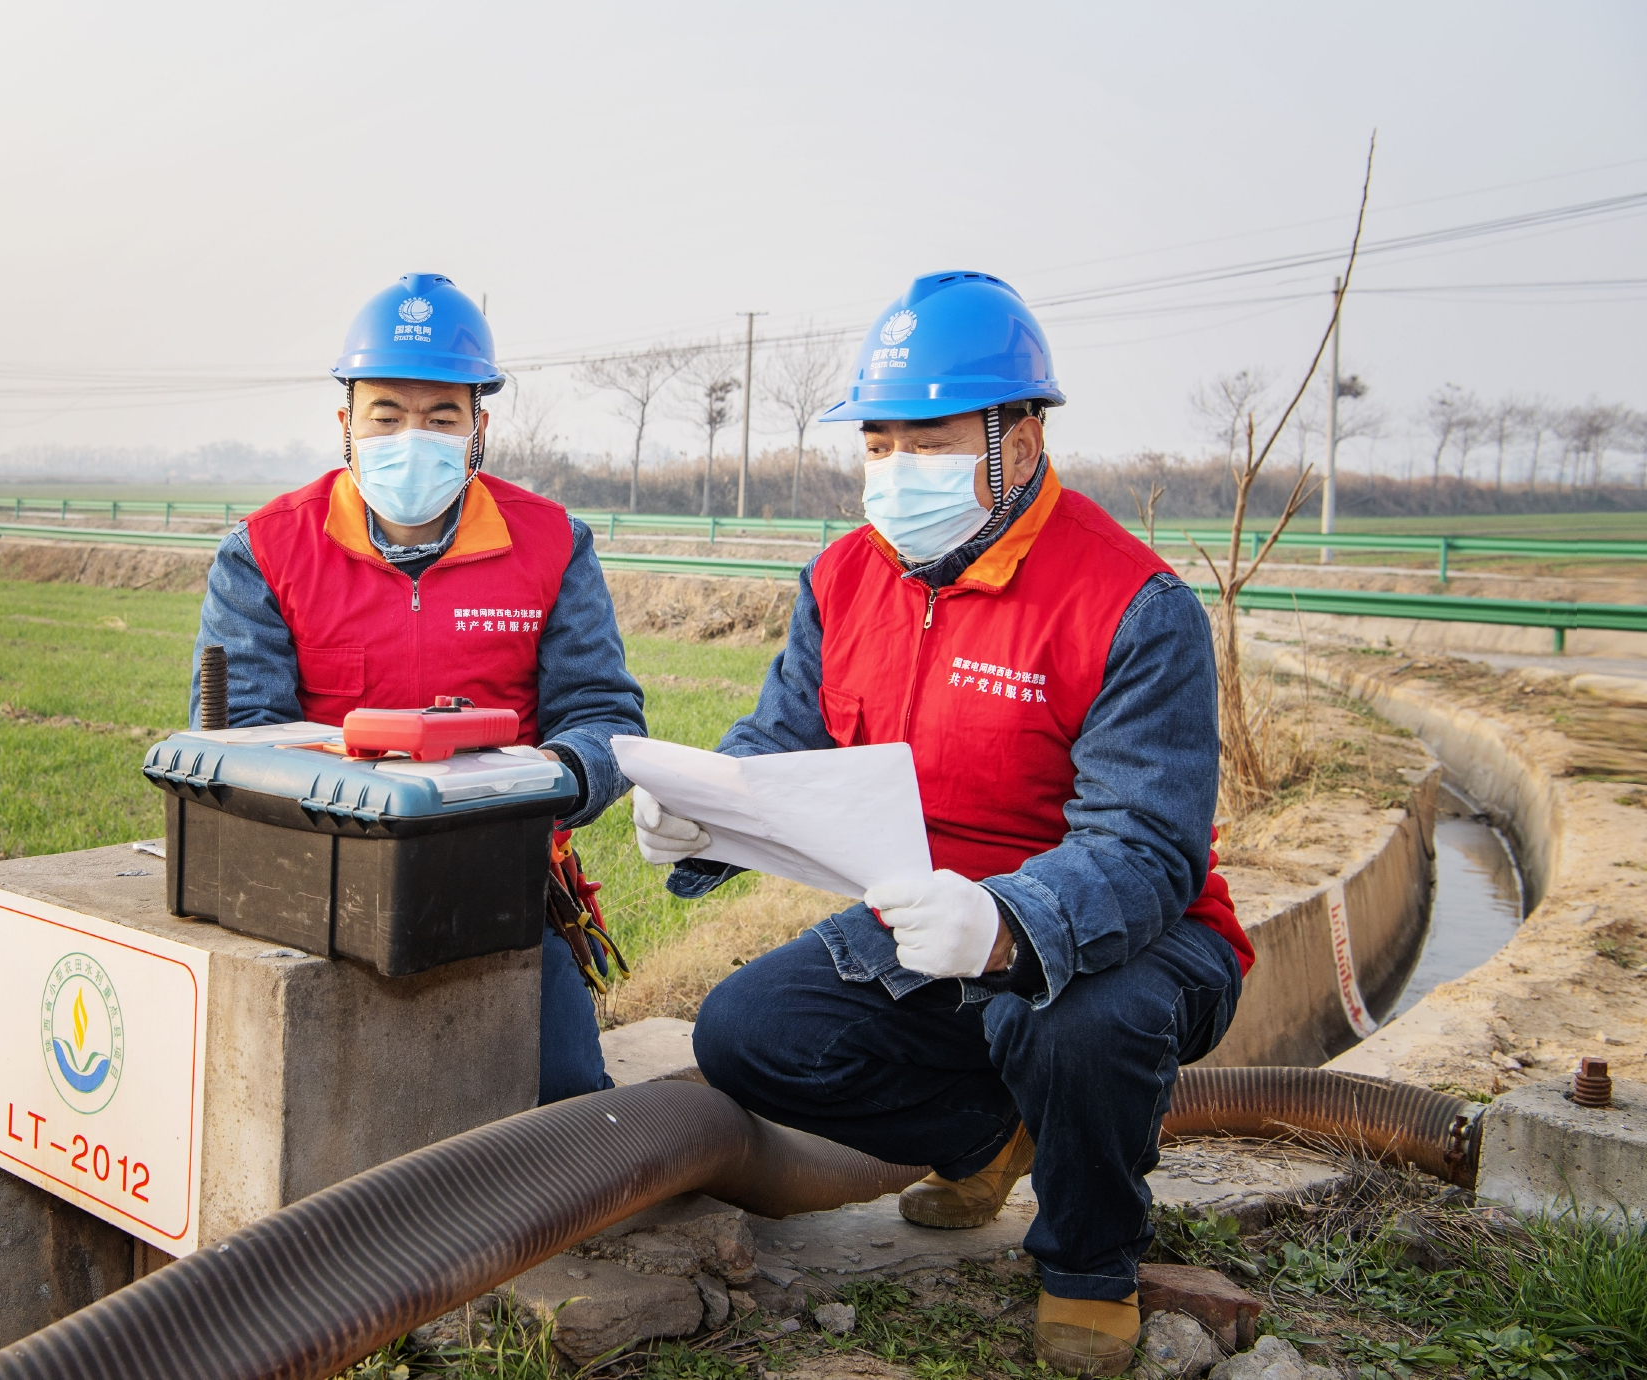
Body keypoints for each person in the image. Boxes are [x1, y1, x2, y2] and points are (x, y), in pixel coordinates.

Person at [634, 272, 1254, 1378]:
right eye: (877, 444)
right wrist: (702, 814)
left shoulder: (1129, 604)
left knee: (1068, 1025)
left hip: (1129, 939)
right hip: (920, 918)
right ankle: (995, 1137)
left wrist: (1010, 924)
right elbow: (781, 740)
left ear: (1017, 441)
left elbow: (1146, 849)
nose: (892, 472)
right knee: (744, 1032)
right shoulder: (842, 578)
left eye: (925, 442)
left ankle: (1087, 1259)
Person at [192, 272, 646, 1103]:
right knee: (301, 1103)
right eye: (387, 415)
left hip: (501, 880)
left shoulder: (552, 544)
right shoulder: (263, 551)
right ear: (346, 425)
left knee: (561, 1099)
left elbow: (604, 715)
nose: (414, 435)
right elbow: (242, 737)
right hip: (318, 878)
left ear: (478, 428)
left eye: (442, 416)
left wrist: (543, 782)